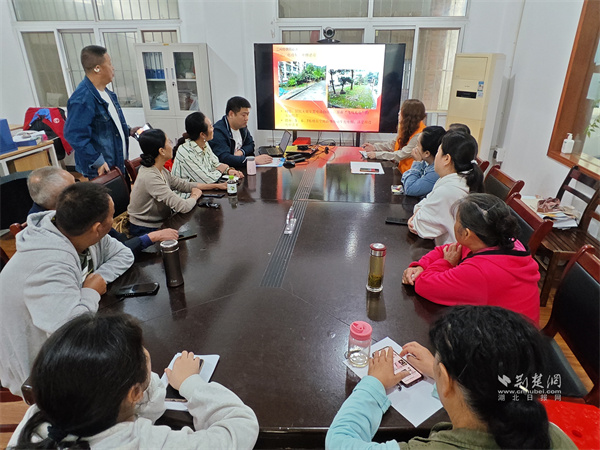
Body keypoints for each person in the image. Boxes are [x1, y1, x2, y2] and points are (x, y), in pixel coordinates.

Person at [326, 305, 576, 449]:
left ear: (445, 380)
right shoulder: (552, 435)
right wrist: (440, 371)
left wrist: (374, 384)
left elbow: (338, 442)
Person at [9, 313, 259, 449]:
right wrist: (192, 383)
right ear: (134, 393)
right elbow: (239, 428)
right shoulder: (146, 443)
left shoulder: (37, 417)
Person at [0, 183, 134, 396]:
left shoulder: (74, 229)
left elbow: (124, 254)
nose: (114, 219)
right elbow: (72, 330)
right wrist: (90, 292)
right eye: (112, 215)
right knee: (124, 376)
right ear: (98, 228)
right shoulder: (48, 265)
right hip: (36, 361)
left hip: (59, 330)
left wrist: (97, 279)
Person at [403, 193, 540, 323]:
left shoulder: (480, 271)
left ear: (466, 233)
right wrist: (420, 266)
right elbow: (445, 250)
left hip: (507, 337)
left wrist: (446, 263)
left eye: (456, 221)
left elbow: (424, 285)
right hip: (508, 327)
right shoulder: (499, 240)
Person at [26, 166, 178, 257]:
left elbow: (115, 245)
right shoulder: (47, 235)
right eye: (75, 187)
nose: (81, 188)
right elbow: (119, 249)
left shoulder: (57, 207)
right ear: (65, 198)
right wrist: (151, 237)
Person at [128, 129, 226, 236]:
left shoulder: (159, 169)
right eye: (169, 142)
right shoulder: (151, 177)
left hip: (161, 222)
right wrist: (194, 195)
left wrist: (216, 186)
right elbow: (183, 207)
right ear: (162, 151)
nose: (172, 145)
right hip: (146, 229)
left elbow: (183, 185)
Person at [64, 45, 140, 180]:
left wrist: (127, 130)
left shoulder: (107, 93)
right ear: (97, 68)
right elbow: (74, 135)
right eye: (109, 64)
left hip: (118, 164)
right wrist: (96, 160)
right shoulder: (82, 98)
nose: (113, 68)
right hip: (102, 170)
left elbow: (108, 126)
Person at [408, 130, 484, 245]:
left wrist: (417, 215)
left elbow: (419, 226)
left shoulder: (449, 190)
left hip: (450, 252)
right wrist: (420, 211)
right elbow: (425, 202)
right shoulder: (460, 179)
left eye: (438, 152)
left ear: (447, 159)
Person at [172, 111, 244, 192]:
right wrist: (220, 170)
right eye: (210, 126)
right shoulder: (186, 152)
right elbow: (206, 180)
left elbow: (215, 163)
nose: (213, 129)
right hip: (186, 195)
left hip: (204, 190)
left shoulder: (204, 143)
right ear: (202, 134)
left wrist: (228, 170)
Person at [362, 99, 427, 172]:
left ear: (408, 116)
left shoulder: (420, 135)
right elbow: (393, 144)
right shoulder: (406, 128)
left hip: (410, 174)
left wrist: (376, 155)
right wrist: (374, 147)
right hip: (401, 170)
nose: (399, 113)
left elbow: (401, 154)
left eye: (401, 111)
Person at [209, 96, 273, 168]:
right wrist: (252, 160)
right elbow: (224, 158)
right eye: (243, 115)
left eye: (247, 114)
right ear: (231, 114)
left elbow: (250, 144)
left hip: (239, 167)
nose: (246, 118)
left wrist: (241, 152)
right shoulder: (218, 131)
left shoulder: (242, 127)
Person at [400, 126, 445, 197]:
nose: (415, 148)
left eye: (418, 144)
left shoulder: (436, 172)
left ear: (427, 153)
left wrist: (417, 162)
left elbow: (410, 189)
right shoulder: (426, 163)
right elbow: (404, 177)